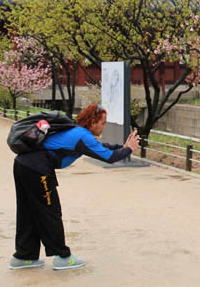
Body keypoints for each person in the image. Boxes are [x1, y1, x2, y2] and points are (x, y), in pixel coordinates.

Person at [9, 104, 140, 270]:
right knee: (50, 212)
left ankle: (23, 256)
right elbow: (109, 157)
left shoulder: (78, 133)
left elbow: (102, 148)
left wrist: (124, 147)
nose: (104, 126)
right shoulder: (82, 136)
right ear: (93, 122)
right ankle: (62, 257)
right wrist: (128, 149)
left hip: (23, 164)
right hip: (37, 169)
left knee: (27, 211)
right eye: (103, 122)